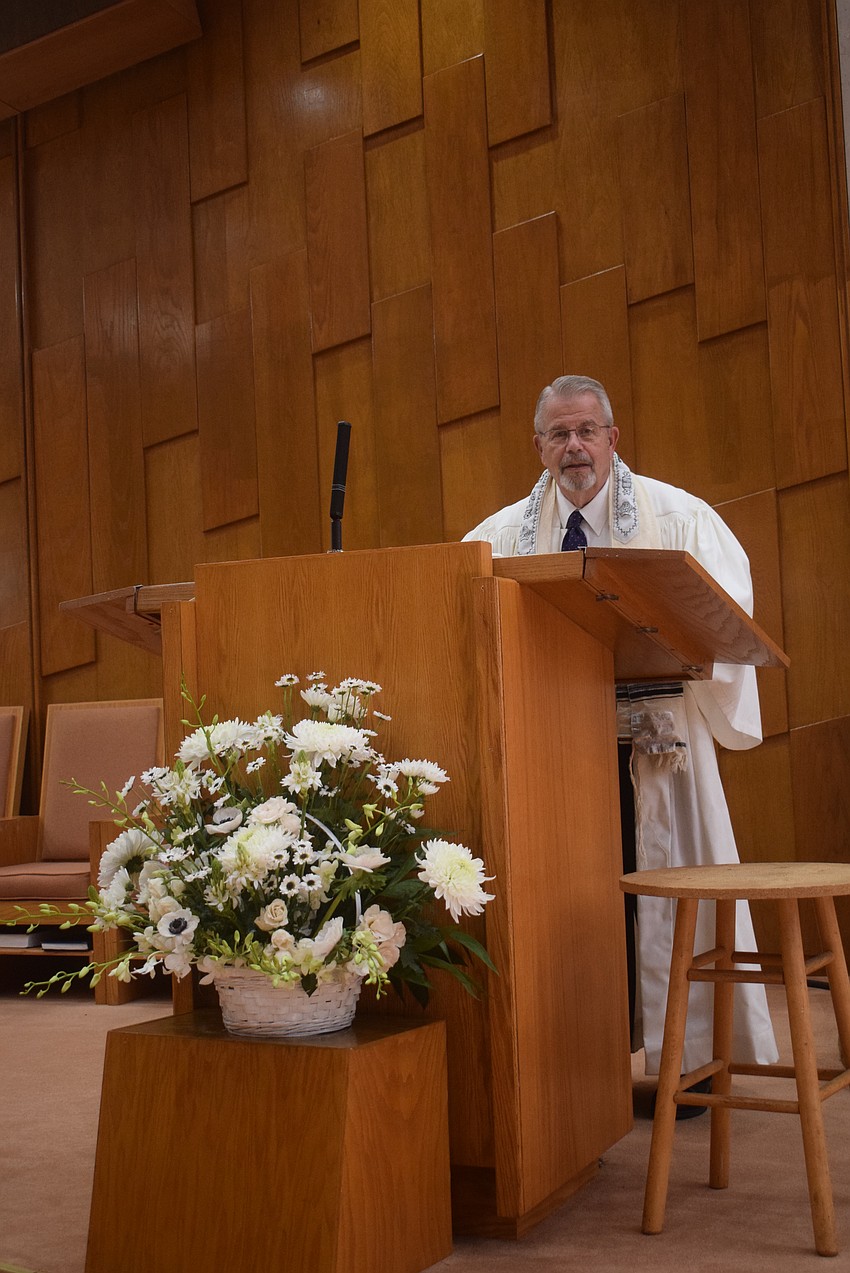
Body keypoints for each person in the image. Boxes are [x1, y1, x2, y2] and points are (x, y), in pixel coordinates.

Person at [463, 374, 778, 1084]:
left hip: (660, 740)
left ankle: (687, 1067)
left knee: (671, 898)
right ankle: (584, 1074)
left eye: (585, 431)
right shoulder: (499, 535)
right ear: (539, 446)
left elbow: (728, 613)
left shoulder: (678, 519)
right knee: (578, 903)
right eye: (558, 434)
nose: (574, 447)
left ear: (612, 437)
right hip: (559, 747)